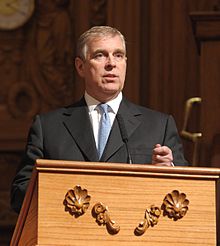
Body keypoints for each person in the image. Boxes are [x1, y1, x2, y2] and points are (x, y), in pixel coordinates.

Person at [11, 26, 188, 213]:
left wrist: (170, 170)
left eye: (118, 55)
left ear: (125, 63)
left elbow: (184, 196)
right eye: (100, 55)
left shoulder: (159, 125)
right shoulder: (48, 127)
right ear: (80, 67)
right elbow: (19, 194)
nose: (111, 63)